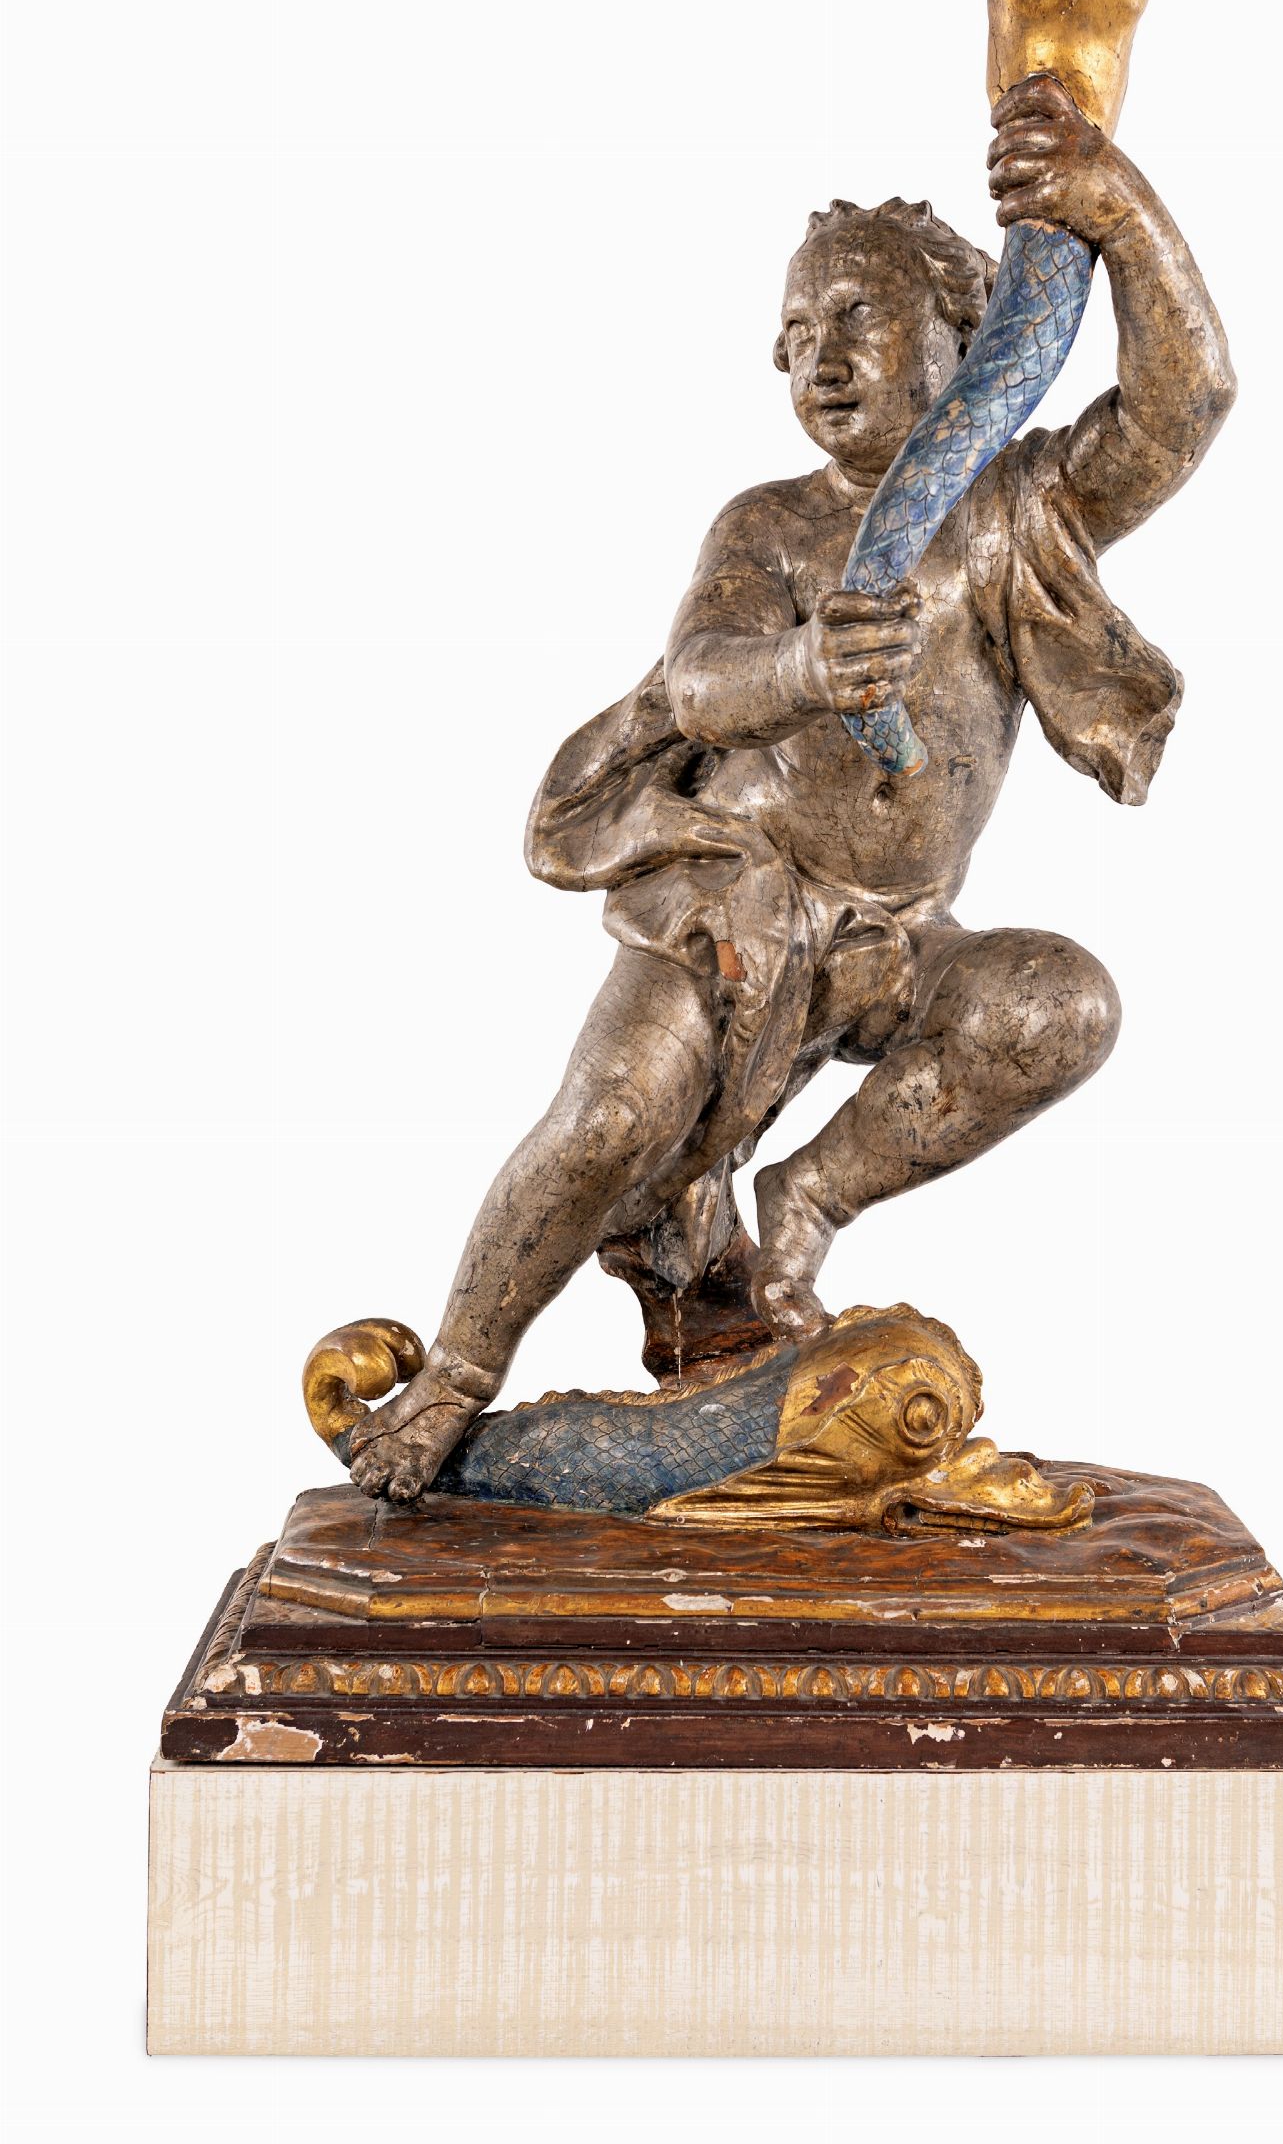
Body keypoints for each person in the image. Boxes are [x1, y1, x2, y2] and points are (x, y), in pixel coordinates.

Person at [349, 74, 1236, 1501]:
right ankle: (454, 1375)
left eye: (858, 318)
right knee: (610, 1122)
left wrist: (1115, 210)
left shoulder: (1015, 508)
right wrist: (806, 665)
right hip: (736, 908)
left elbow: (1184, 405)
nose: (818, 356)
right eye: (797, 332)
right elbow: (698, 680)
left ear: (965, 337)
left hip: (896, 936)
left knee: (1058, 1002)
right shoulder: (767, 524)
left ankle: (808, 1198)